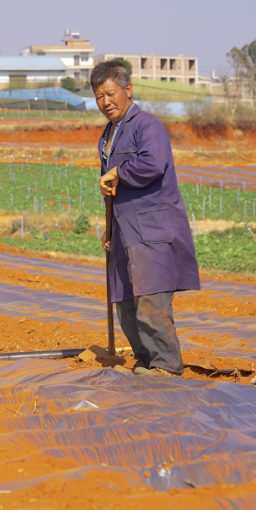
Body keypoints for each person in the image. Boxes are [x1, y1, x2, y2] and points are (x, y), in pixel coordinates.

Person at [93, 60, 200, 377]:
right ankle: (145, 361)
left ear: (127, 90)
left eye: (110, 93)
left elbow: (153, 163)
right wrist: (108, 227)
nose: (106, 102)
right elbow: (109, 188)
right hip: (124, 233)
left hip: (151, 230)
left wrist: (119, 171)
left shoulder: (147, 126)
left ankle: (165, 364)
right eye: (99, 96)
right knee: (125, 303)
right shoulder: (108, 136)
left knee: (151, 300)